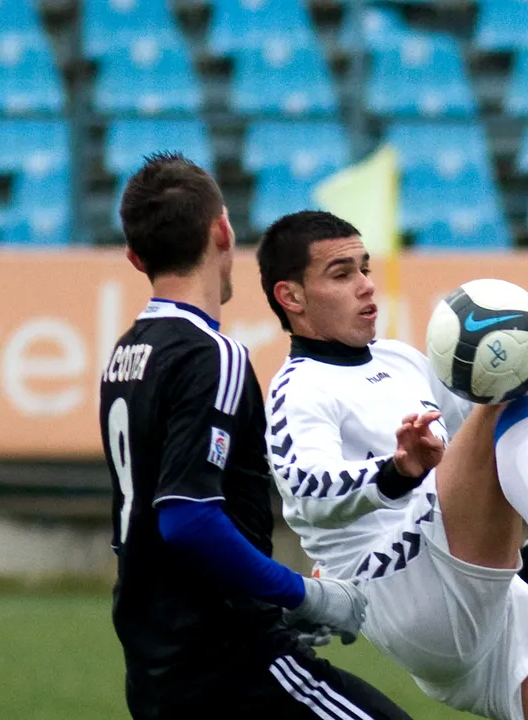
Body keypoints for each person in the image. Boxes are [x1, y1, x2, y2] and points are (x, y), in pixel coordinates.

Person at [256, 209, 528, 720]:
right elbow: (311, 495)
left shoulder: (399, 360)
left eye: (364, 268)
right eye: (341, 275)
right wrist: (397, 469)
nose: (364, 286)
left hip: (483, 599)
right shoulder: (299, 389)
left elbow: (500, 427)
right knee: (503, 363)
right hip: (406, 590)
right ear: (290, 297)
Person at [99, 153, 413, 720]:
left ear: (134, 255)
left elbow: (146, 526)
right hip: (228, 654)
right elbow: (187, 517)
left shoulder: (126, 354)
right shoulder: (211, 354)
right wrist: (302, 594)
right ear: (223, 230)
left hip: (153, 654)